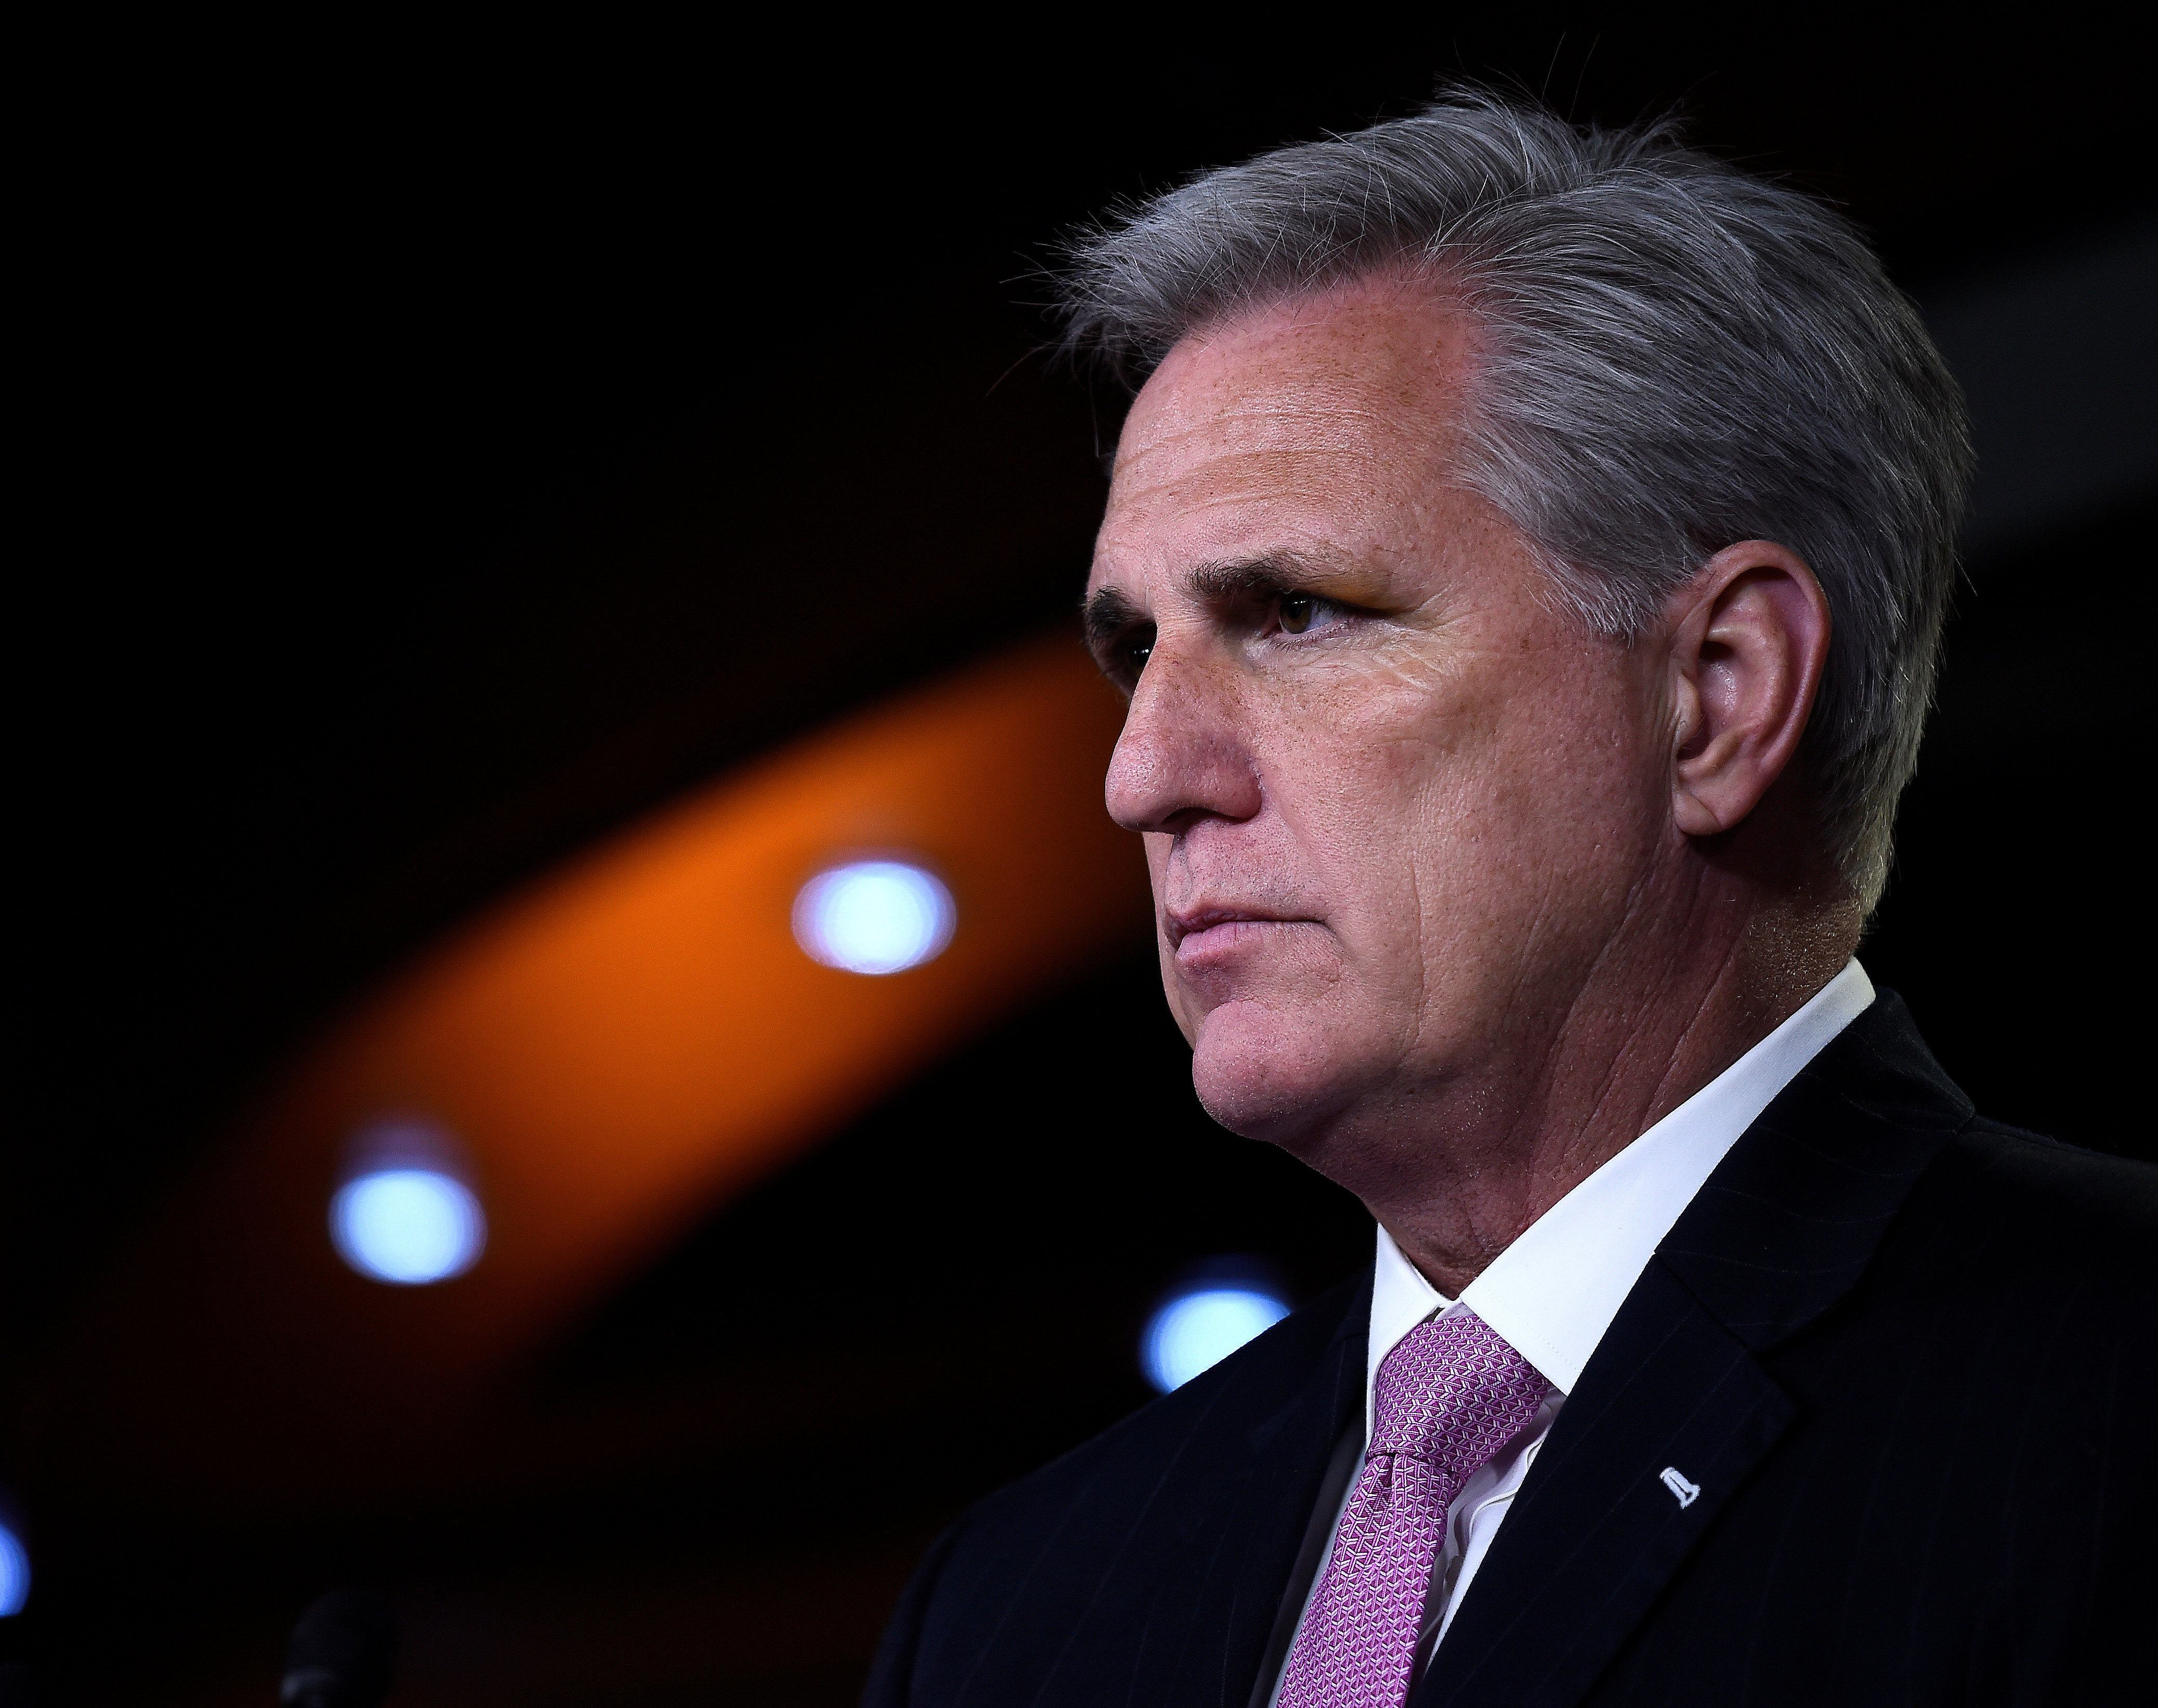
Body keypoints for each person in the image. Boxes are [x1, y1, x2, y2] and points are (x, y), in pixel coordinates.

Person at [864, 91, 2151, 1708]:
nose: (1143, 776)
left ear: (1720, 694)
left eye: (1299, 613)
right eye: (1135, 650)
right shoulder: (1017, 1606)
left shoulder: (2106, 1410)